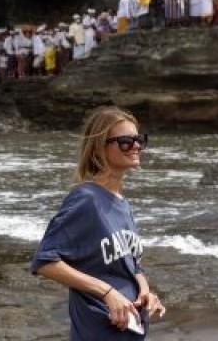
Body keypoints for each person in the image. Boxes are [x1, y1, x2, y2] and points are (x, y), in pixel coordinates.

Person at [30, 106, 167, 339]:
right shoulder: (87, 199)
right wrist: (107, 293)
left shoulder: (123, 203)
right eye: (126, 141)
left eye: (138, 139)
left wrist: (145, 291)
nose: (136, 146)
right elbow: (45, 261)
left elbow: (131, 265)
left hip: (130, 329)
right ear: (100, 147)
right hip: (98, 330)